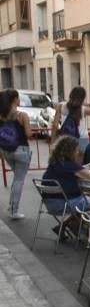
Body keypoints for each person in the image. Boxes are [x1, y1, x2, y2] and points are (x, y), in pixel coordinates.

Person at [43, 136, 90, 237]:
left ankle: (66, 225)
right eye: (77, 149)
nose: (78, 152)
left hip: (51, 204)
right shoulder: (71, 165)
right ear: (71, 151)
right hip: (66, 204)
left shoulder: (55, 163)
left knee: (85, 202)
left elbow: (78, 170)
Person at [0, 89, 33, 220]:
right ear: (14, 100)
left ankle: (12, 205)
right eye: (18, 98)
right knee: (19, 180)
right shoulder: (22, 115)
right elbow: (29, 134)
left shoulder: (1, 115)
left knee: (16, 178)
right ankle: (14, 210)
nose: (20, 100)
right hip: (22, 150)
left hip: (7, 151)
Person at [52, 86, 90, 155]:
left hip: (66, 138)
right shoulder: (84, 109)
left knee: (67, 162)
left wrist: (53, 142)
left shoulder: (61, 106)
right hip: (82, 139)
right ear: (83, 98)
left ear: (71, 95)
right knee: (82, 164)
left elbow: (55, 125)